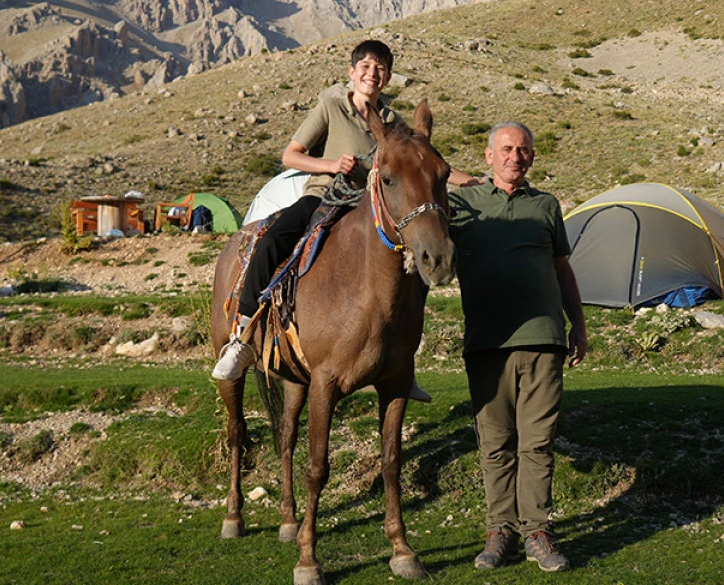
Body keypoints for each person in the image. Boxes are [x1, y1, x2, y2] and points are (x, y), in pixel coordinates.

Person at [212, 39, 470, 400]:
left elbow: (423, 165)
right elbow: (291, 156)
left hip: (371, 208)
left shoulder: (393, 123)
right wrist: (331, 164)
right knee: (273, 240)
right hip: (324, 197)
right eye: (365, 66)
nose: (372, 73)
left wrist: (469, 180)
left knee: (413, 265)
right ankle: (242, 337)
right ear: (352, 72)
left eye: (380, 68)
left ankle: (401, 363)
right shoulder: (331, 108)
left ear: (388, 77)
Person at [447, 121, 587, 573]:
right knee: (495, 444)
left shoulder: (546, 206)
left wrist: (578, 324)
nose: (515, 157)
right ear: (488, 156)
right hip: (486, 342)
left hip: (544, 340)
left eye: (523, 150)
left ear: (532, 156)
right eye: (506, 149)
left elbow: (562, 269)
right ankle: (499, 532)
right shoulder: (462, 205)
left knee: (538, 442)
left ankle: (537, 533)